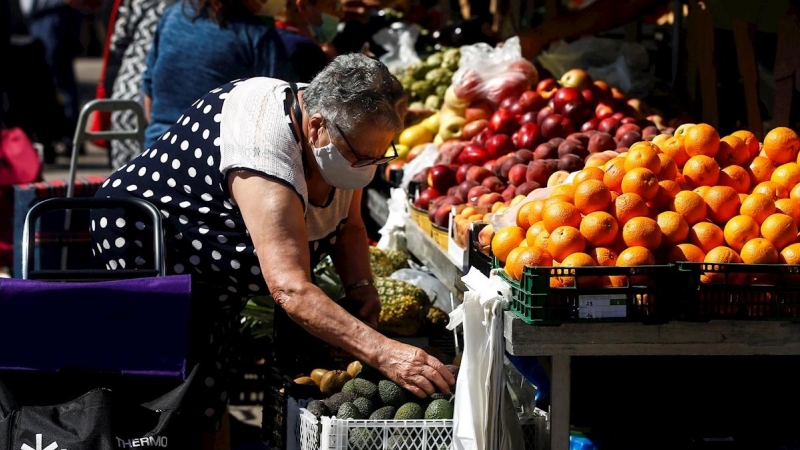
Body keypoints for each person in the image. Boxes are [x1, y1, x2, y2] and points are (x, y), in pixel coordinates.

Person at [90, 53, 455, 447]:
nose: (366, 169)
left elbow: (350, 225)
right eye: (360, 157)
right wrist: (383, 352)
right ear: (316, 127)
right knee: (167, 392)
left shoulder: (342, 139)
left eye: (378, 156)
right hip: (151, 244)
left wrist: (361, 285)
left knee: (212, 382)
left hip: (215, 271)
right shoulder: (264, 150)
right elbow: (289, 288)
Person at [139, 0, 296, 152]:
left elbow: (148, 94)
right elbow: (279, 117)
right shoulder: (259, 37)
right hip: (215, 164)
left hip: (156, 154)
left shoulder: (172, 16)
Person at [105, 0, 172, 169]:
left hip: (127, 87)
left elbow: (118, 40)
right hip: (161, 90)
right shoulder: (184, 8)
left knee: (122, 171)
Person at [18, 0, 83, 148]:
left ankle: (69, 137)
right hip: (41, 17)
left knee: (57, 79)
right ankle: (58, 136)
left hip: (52, 15)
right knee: (48, 80)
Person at [274, 0, 337, 83]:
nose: (329, 11)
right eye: (321, 4)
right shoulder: (304, 48)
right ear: (302, 6)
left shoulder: (273, 38)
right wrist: (334, 63)